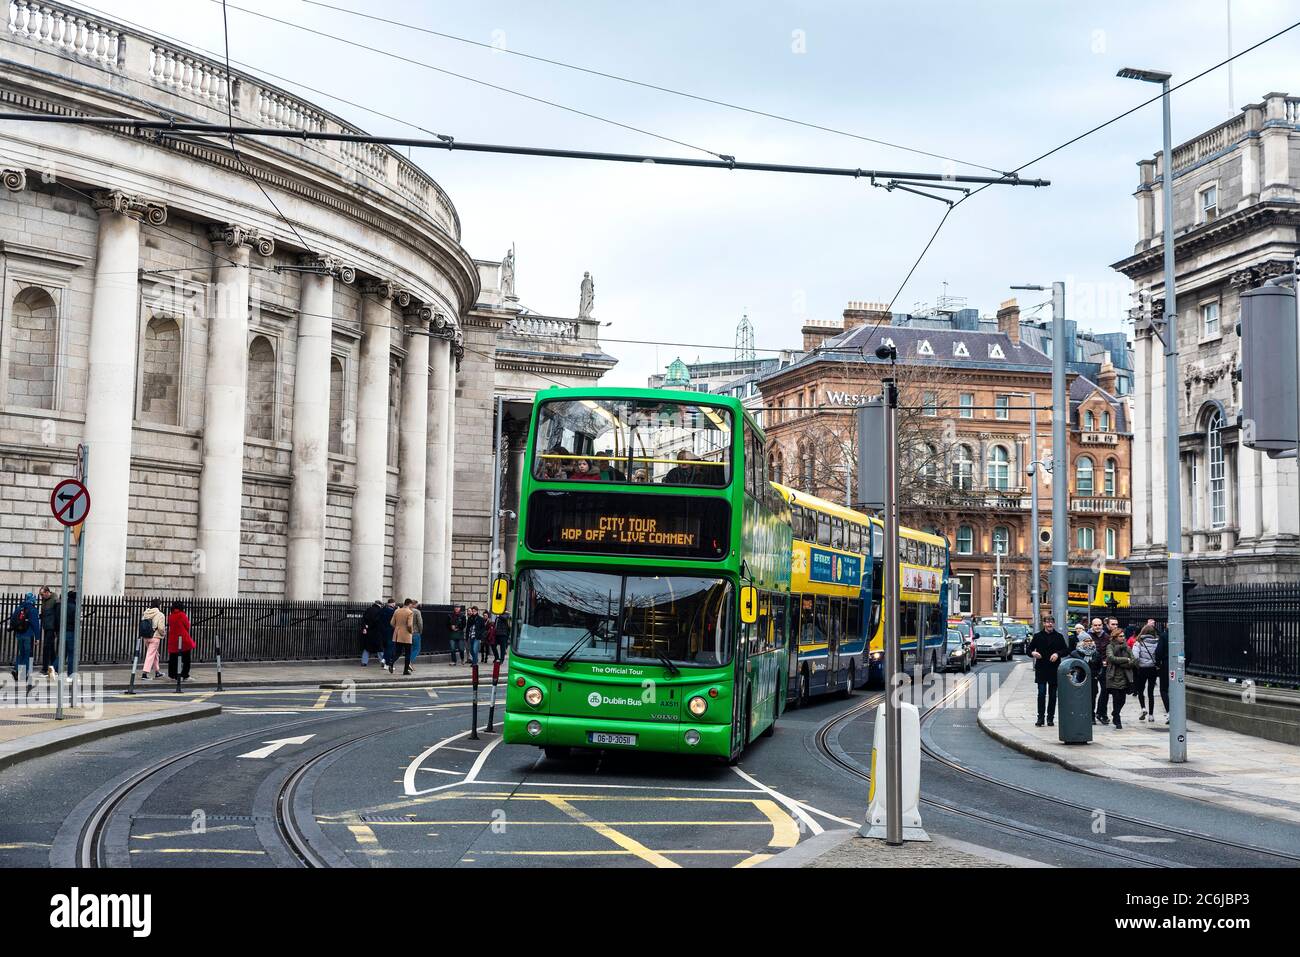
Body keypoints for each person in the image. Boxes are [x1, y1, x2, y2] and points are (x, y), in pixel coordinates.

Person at [1027, 615, 1069, 726]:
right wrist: (1033, 653)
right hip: (1041, 668)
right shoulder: (1037, 636)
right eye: (1047, 622)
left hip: (1054, 669)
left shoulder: (1058, 636)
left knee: (1052, 695)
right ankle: (1040, 717)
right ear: (1044, 624)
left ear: (1054, 624)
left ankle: (1050, 718)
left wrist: (1057, 654)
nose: (1049, 624)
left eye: (1051, 622)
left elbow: (1066, 650)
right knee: (1041, 693)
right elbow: (1029, 649)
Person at [1067, 627, 1102, 723]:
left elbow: (1100, 666)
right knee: (1080, 698)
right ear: (1081, 642)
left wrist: (1098, 675)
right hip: (1080, 679)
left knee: (1092, 698)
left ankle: (1091, 716)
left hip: (1092, 679)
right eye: (1086, 641)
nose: (1089, 642)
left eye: (1090, 640)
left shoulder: (1096, 653)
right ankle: (1080, 715)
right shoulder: (1075, 653)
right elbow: (1069, 665)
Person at [1104, 623, 1136, 729]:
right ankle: (1117, 719)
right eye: (1121, 636)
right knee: (1116, 698)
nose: (1123, 638)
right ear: (1115, 637)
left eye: (1123, 636)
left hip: (1125, 677)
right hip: (1113, 676)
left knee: (1122, 700)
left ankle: (1115, 712)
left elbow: (1133, 661)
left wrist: (1123, 662)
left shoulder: (1127, 647)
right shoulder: (1110, 646)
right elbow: (1111, 658)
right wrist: (1125, 660)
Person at [8, 591, 39, 681]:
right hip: (28, 634)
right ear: (33, 599)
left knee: (21, 653)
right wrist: (37, 637)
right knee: (27, 654)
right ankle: (23, 674)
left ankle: (16, 669)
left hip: (19, 634)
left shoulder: (19, 607)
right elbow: (35, 624)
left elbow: (13, 619)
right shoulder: (33, 609)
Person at [1133, 623, 1161, 723]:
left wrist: (1138, 665)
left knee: (1141, 690)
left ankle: (1143, 708)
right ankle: (1151, 715)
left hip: (1142, 669)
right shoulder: (1157, 642)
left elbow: (1135, 657)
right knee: (1151, 692)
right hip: (1153, 669)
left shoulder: (1138, 642)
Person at [166, 600, 195, 682]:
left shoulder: (170, 616)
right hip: (183, 639)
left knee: (173, 658)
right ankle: (185, 675)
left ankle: (172, 675)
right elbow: (187, 626)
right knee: (186, 659)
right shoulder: (182, 615)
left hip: (173, 639)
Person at [1090, 618, 1112, 724]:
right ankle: (1091, 715)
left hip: (1104, 667)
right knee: (1093, 692)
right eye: (1095, 625)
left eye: (1099, 625)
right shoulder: (1087, 636)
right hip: (1092, 668)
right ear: (1092, 626)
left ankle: (1101, 713)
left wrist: (1106, 661)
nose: (1097, 627)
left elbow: (1109, 651)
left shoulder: (1107, 637)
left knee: (1105, 691)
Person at [388, 599, 415, 675]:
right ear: (409, 604)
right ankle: (405, 671)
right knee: (408, 653)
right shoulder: (410, 612)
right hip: (406, 635)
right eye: (411, 605)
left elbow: (391, 623)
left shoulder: (397, 611)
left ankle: (391, 662)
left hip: (398, 634)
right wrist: (411, 631)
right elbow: (409, 625)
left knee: (398, 652)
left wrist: (397, 628)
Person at [141, 600, 166, 679]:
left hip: (146, 636)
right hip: (155, 637)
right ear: (158, 605)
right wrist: (163, 633)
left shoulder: (146, 613)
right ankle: (144, 674)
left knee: (155, 654)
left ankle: (157, 672)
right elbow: (161, 628)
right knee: (150, 655)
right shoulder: (160, 615)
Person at [359, 599, 387, 667]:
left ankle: (364, 662)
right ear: (380, 604)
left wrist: (365, 628)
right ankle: (382, 662)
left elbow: (364, 620)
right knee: (379, 648)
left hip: (369, 632)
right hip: (377, 632)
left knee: (367, 648)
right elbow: (380, 622)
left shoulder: (368, 609)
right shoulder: (380, 611)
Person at [1153, 619, 1170, 725]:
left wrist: (1158, 664)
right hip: (1178, 665)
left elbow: (1158, 652)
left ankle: (1169, 711)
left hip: (1166, 664)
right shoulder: (1183, 635)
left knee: (1163, 689)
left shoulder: (1164, 636)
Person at [38, 586, 57, 675]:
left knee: (46, 647)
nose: (41, 596)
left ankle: (45, 668)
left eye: (42, 594)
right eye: (40, 595)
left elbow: (57, 613)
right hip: (46, 626)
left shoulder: (55, 600)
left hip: (52, 627)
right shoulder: (44, 600)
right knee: (51, 648)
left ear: (47, 592)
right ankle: (54, 667)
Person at [381, 598, 398, 668]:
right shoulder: (393, 612)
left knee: (386, 647)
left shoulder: (382, 610)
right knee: (390, 647)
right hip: (391, 631)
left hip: (383, 631)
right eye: (394, 604)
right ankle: (387, 664)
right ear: (393, 603)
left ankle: (384, 659)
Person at [409, 600, 423, 672]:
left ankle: (410, 664)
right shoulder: (417, 611)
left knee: (410, 649)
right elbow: (420, 622)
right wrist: (420, 631)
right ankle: (409, 662)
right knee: (417, 648)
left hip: (407, 632)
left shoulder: (406, 610)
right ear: (414, 604)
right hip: (415, 632)